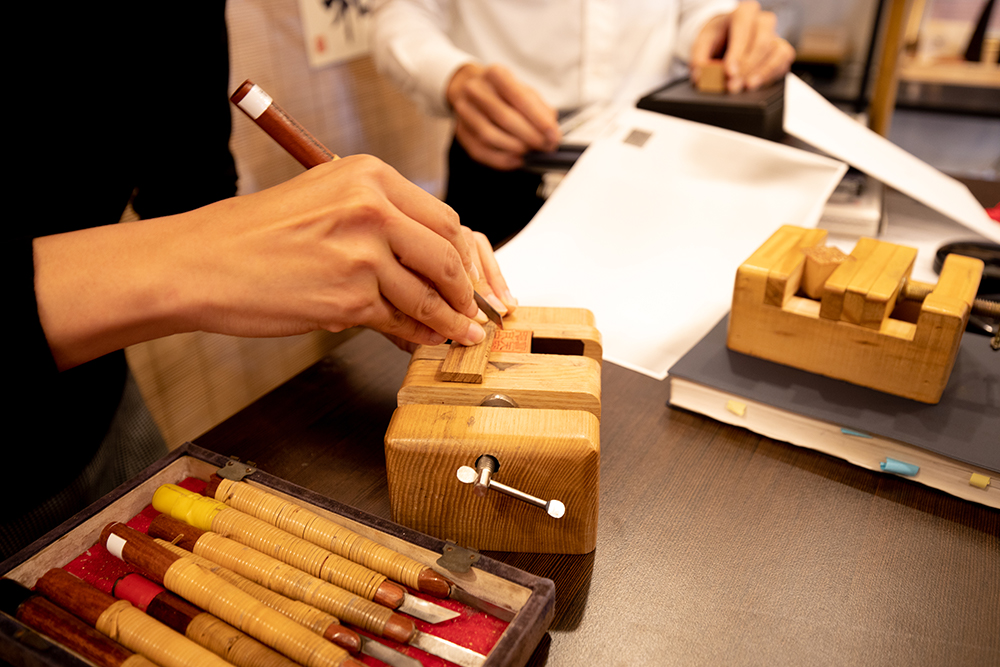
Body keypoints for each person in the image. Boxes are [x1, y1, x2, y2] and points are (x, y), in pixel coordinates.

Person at [4, 3, 515, 560]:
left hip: (101, 411)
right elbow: (203, 237)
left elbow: (188, 190)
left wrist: (361, 250)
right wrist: (200, 257)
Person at [372, 0, 796, 245]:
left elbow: (695, 9)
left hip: (661, 157)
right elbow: (401, 13)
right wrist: (453, 79)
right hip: (507, 165)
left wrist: (718, 25)